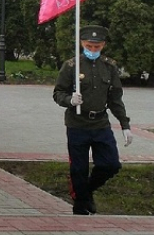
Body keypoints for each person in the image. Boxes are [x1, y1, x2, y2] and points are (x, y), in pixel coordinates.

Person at [53, 25, 133, 215]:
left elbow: (115, 99)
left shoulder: (110, 67)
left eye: (97, 47)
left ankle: (86, 192)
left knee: (111, 164)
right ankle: (80, 205)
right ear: (82, 43)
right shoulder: (71, 66)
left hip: (100, 123)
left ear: (103, 45)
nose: (92, 50)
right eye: (89, 46)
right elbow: (58, 93)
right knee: (78, 169)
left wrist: (125, 125)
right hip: (77, 123)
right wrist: (70, 100)